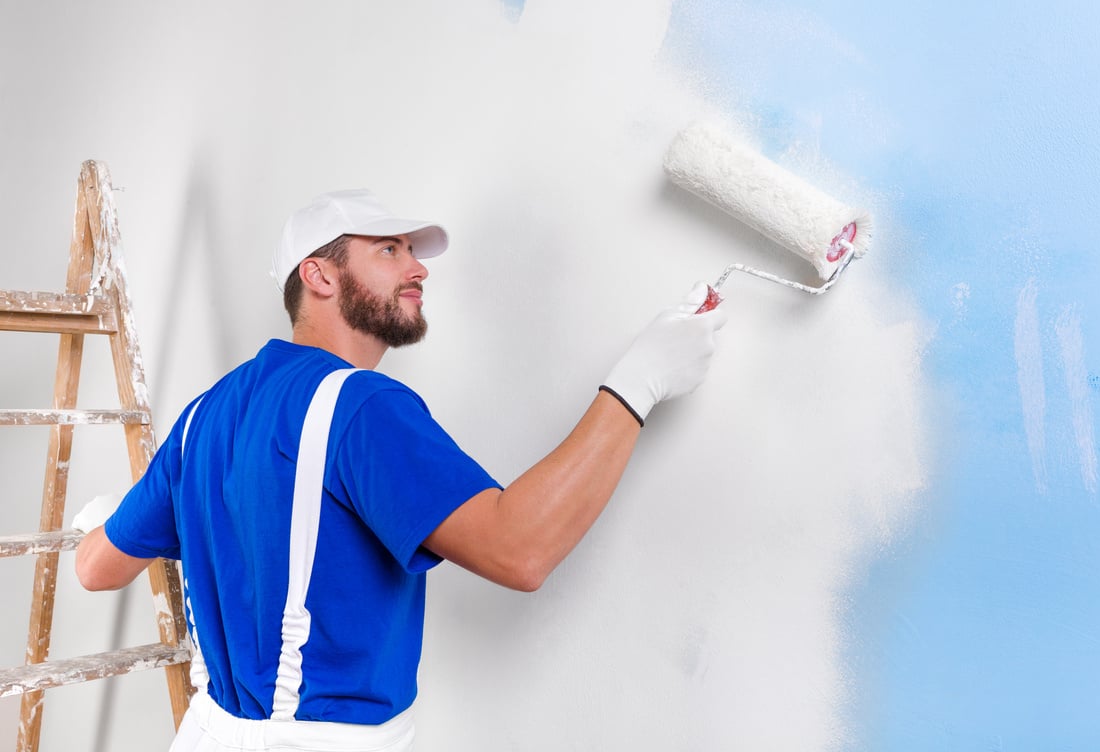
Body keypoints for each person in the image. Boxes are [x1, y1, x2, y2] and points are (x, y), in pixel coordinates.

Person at [74, 188, 728, 752]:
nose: (417, 268)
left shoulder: (200, 420)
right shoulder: (361, 406)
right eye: (389, 250)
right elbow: (520, 549)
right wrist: (639, 382)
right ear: (320, 276)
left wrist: (112, 519)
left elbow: (95, 568)